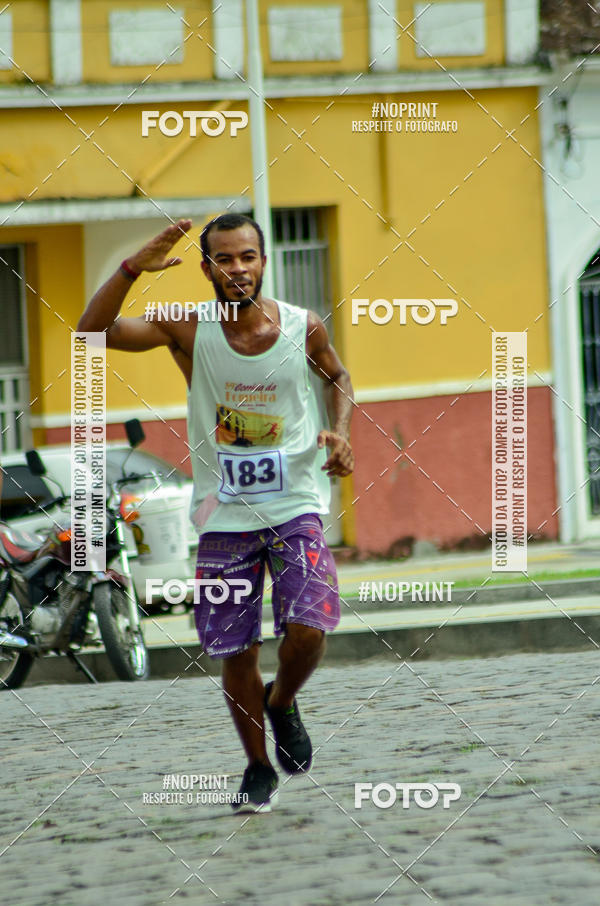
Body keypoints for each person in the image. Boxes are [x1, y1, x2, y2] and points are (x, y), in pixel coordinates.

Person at [77, 213, 354, 812]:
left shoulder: (301, 327)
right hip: (225, 515)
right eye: (224, 259)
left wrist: (340, 431)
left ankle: (280, 702)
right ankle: (257, 767)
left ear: (263, 261)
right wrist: (131, 268)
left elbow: (338, 373)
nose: (237, 269)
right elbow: (90, 334)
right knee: (236, 651)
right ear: (206, 268)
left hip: (294, 505)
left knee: (309, 628)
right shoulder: (187, 328)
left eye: (247, 257)